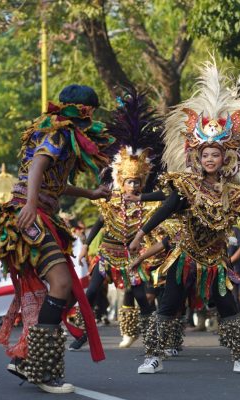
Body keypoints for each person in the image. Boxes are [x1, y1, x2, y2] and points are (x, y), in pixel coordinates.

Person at [128, 62, 240, 375]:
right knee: (168, 307)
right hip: (185, 257)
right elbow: (167, 207)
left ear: (226, 158)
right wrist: (142, 233)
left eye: (216, 154)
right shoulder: (186, 186)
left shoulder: (233, 192)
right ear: (197, 157)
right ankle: (152, 356)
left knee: (228, 307)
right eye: (205, 154)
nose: (210, 159)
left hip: (216, 261)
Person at [0, 85, 113, 394]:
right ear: (77, 110)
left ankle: (29, 359)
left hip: (44, 214)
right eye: (88, 111)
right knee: (62, 285)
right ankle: (41, 369)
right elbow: (38, 168)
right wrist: (29, 205)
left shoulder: (66, 139)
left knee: (65, 294)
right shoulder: (56, 134)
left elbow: (55, 183)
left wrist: (91, 193)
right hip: (29, 214)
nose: (91, 117)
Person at [69, 87, 169, 351]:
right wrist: (85, 249)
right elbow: (100, 223)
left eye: (137, 182)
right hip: (106, 253)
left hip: (132, 257)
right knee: (90, 293)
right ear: (120, 181)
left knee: (142, 298)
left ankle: (152, 340)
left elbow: (159, 218)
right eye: (129, 182)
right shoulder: (110, 200)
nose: (133, 186)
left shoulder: (148, 205)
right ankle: (81, 334)